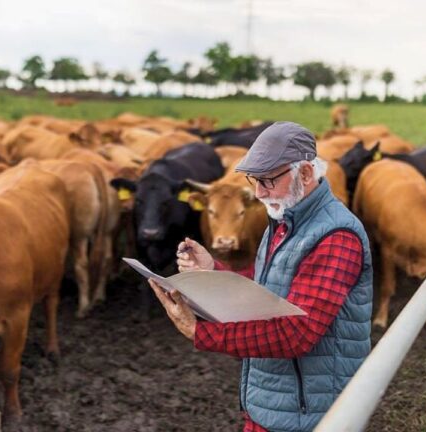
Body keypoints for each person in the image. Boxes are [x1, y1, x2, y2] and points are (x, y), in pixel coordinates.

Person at [148, 121, 373, 432]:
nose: (258, 193)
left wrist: (199, 332)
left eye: (267, 181)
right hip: (277, 401)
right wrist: (213, 269)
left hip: (310, 413)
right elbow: (270, 285)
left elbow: (297, 333)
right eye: (255, 180)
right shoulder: (285, 220)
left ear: (305, 174)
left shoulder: (336, 236)